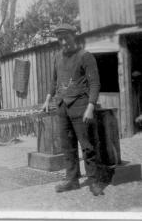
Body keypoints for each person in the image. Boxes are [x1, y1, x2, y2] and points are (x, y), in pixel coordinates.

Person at [42, 23, 107, 196]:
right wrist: (48, 98)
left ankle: (94, 181)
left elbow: (95, 83)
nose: (63, 42)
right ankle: (72, 180)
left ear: (74, 37)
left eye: (66, 38)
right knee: (67, 146)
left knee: (87, 146)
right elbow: (54, 81)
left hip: (81, 106)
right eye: (60, 39)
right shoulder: (57, 58)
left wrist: (91, 107)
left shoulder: (85, 56)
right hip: (62, 106)